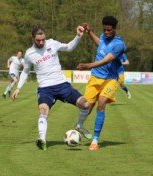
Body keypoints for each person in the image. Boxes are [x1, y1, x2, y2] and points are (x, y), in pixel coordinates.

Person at [12, 25, 90, 150]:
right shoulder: (29, 53)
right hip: (45, 89)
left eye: (43, 39)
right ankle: (42, 140)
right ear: (33, 38)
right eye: (38, 40)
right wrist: (18, 88)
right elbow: (26, 71)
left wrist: (78, 37)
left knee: (86, 105)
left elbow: (69, 47)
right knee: (43, 111)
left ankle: (79, 126)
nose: (41, 42)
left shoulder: (52, 43)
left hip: (62, 85)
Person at [76, 16, 126, 151]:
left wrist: (88, 65)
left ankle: (95, 140)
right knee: (86, 106)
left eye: (109, 30)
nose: (106, 32)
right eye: (104, 30)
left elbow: (106, 60)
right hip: (95, 78)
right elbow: (100, 44)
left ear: (114, 29)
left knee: (102, 103)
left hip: (110, 79)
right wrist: (90, 32)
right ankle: (79, 126)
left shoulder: (119, 45)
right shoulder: (103, 37)